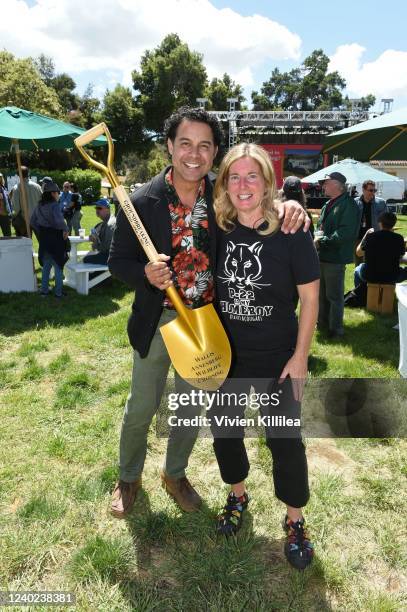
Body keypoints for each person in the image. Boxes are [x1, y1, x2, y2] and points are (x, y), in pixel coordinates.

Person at [107, 106, 310, 520]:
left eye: (204, 145)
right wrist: (144, 273)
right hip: (158, 321)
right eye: (185, 143)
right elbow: (117, 261)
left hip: (207, 321)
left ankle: (175, 474)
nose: (194, 154)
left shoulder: (220, 193)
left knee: (188, 406)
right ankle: (128, 478)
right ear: (169, 146)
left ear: (214, 152)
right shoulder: (142, 200)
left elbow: (257, 195)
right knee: (143, 404)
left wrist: (293, 206)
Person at [211, 143, 319, 570]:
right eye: (234, 177)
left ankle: (295, 520)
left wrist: (301, 357)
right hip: (227, 360)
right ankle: (237, 495)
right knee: (224, 432)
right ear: (224, 184)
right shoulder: (217, 227)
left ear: (267, 183)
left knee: (285, 443)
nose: (242, 185)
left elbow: (310, 298)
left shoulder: (291, 232)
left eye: (251, 176)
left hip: (278, 359)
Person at [315, 172, 360, 337]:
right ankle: (322, 323)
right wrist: (318, 238)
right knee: (322, 294)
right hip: (323, 254)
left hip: (335, 256)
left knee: (334, 296)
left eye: (326, 183)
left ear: (337, 184)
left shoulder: (348, 205)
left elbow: (346, 233)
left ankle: (336, 329)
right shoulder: (328, 204)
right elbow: (321, 227)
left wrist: (322, 241)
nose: (323, 186)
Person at [30, 181, 69, 298]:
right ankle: (58, 293)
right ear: (52, 193)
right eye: (57, 192)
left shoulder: (39, 205)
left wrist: (41, 231)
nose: (58, 194)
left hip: (44, 239)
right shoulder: (54, 206)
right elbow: (59, 222)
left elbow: (33, 222)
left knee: (46, 266)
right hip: (56, 238)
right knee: (58, 265)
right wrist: (65, 229)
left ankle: (44, 291)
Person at [354, 211, 407, 287]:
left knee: (357, 270)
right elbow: (401, 256)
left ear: (380, 223)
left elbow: (358, 253)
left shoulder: (371, 237)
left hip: (370, 276)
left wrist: (366, 235)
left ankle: (360, 294)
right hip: (392, 276)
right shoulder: (399, 238)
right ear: (394, 224)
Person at [354, 180, 387, 264]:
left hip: (375, 238)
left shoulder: (381, 203)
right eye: (370, 190)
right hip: (359, 238)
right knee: (359, 263)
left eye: (374, 190)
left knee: (374, 263)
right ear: (363, 190)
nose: (373, 193)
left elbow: (386, 221)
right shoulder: (355, 202)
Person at [83, 198, 116, 266]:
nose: (97, 210)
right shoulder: (105, 222)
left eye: (99, 208)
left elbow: (106, 248)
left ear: (107, 209)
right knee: (88, 256)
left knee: (86, 259)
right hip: (110, 255)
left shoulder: (110, 224)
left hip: (112, 257)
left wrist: (96, 243)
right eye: (96, 208)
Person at [11, 166, 42, 237]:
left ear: (18, 175)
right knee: (42, 242)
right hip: (37, 219)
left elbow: (16, 208)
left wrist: (13, 216)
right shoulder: (37, 186)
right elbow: (42, 202)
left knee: (25, 245)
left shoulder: (16, 188)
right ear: (28, 173)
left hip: (24, 220)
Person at [0, 172, 13, 237]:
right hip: (2, 214)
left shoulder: (4, 189)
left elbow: (7, 201)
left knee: (8, 236)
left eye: (0, 177)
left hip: (5, 215)